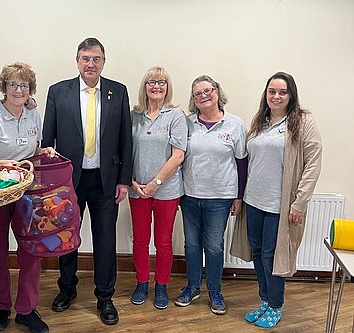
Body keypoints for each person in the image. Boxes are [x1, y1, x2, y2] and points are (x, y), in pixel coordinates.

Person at [41, 37, 132, 325]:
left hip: (106, 181)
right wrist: (49, 181)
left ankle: (105, 297)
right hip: (68, 182)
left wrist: (123, 180)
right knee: (67, 238)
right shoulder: (58, 91)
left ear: (103, 62)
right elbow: (47, 138)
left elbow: (125, 140)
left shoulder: (118, 92)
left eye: (96, 59)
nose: (90, 64)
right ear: (77, 61)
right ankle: (66, 289)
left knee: (105, 241)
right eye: (85, 58)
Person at [231, 72, 322, 328]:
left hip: (280, 206)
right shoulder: (260, 121)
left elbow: (313, 164)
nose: (276, 96)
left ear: (291, 95)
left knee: (273, 257)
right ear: (266, 94)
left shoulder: (303, 122)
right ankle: (264, 300)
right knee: (258, 254)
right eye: (272, 91)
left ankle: (276, 304)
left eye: (282, 92)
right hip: (254, 202)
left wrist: (300, 202)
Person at [0, 62, 55, 333]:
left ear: (30, 89)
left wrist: (45, 152)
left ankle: (27, 310)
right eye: (13, 84)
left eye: (24, 85)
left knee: (32, 253)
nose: (18, 90)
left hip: (28, 193)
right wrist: (5, 165)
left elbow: (34, 150)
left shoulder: (34, 114)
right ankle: (0, 306)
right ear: (4, 87)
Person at [175, 75, 247, 315]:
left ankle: (215, 291)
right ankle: (193, 286)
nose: (203, 96)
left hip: (220, 197)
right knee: (192, 245)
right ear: (193, 100)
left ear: (218, 92)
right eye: (198, 93)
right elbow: (177, 158)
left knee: (214, 246)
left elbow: (241, 163)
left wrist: (238, 197)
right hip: (190, 196)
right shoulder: (186, 124)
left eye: (208, 90)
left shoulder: (235, 125)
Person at [128, 66, 187, 309]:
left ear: (167, 87)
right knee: (140, 241)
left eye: (162, 82)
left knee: (163, 241)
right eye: (152, 81)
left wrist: (156, 183)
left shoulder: (175, 115)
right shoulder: (134, 116)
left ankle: (161, 285)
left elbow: (178, 155)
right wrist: (131, 180)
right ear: (145, 86)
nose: (156, 86)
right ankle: (142, 282)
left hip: (167, 190)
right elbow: (124, 151)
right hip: (137, 189)